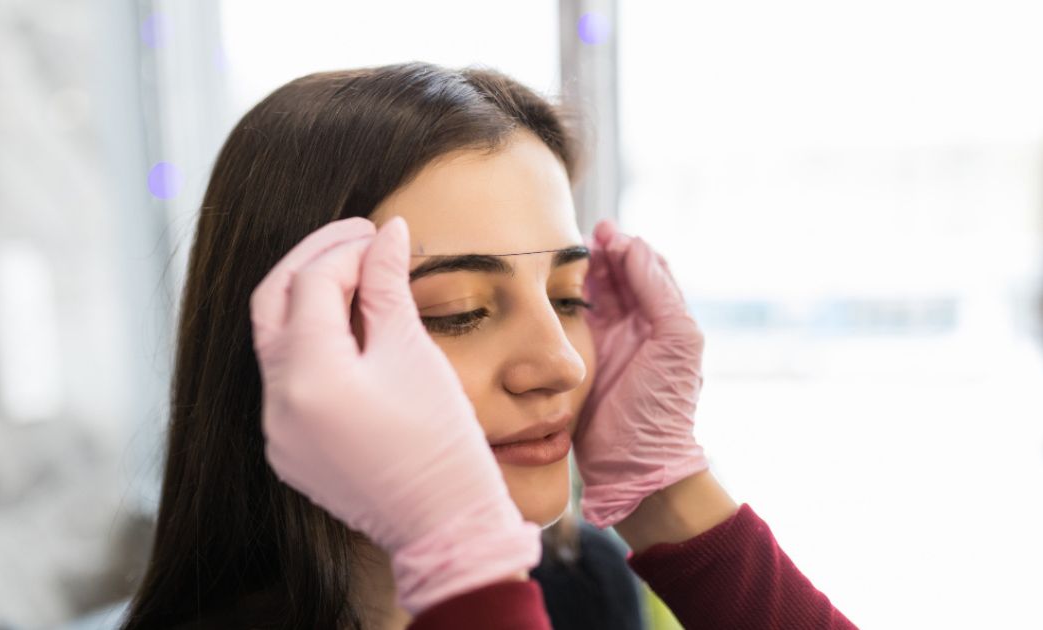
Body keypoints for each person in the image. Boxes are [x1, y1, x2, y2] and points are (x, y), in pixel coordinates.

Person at [119, 61, 856, 629]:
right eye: (458, 311)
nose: (562, 364)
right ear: (291, 347)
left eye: (569, 297)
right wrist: (464, 569)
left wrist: (666, 493)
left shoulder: (578, 588)